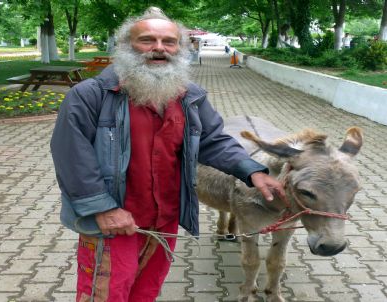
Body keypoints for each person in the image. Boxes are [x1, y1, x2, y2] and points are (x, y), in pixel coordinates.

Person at [50, 7, 287, 302]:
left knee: (146, 290)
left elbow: (213, 140)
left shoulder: (189, 96)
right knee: (106, 293)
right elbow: (72, 157)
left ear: (180, 48)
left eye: (169, 42)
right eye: (147, 40)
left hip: (165, 218)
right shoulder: (90, 95)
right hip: (113, 220)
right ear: (125, 46)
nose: (159, 48)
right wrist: (103, 209)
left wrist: (253, 172)